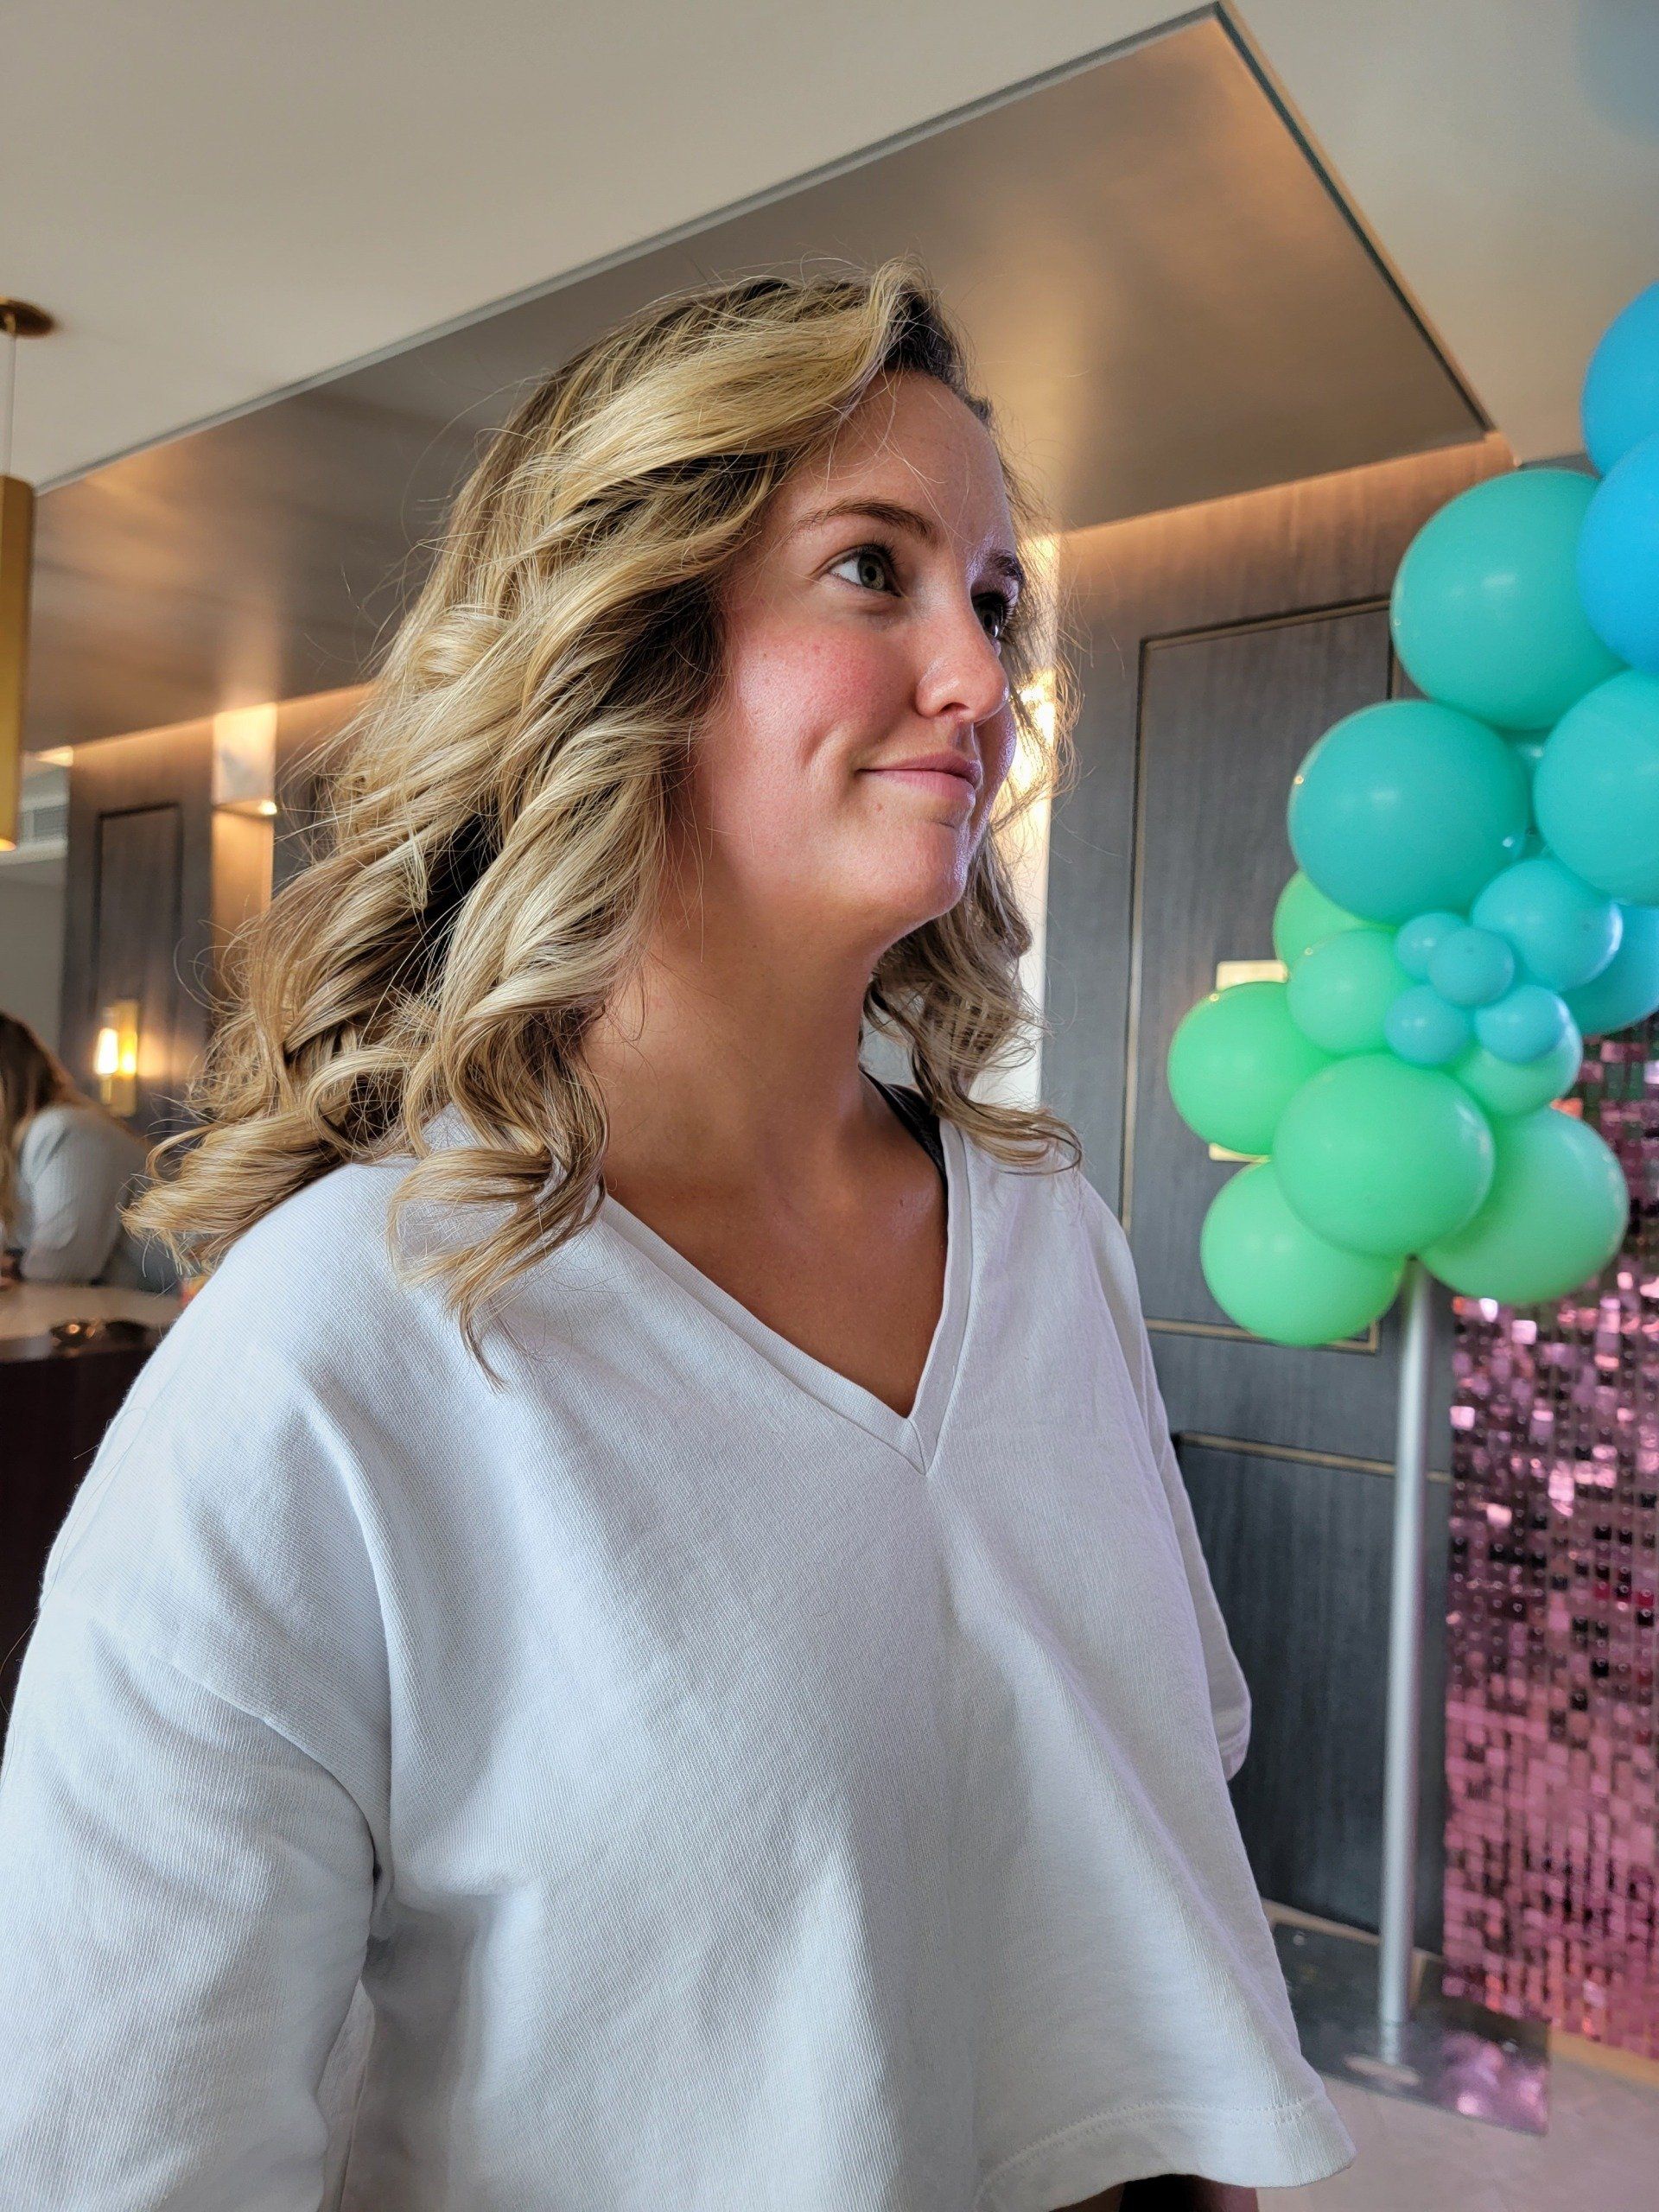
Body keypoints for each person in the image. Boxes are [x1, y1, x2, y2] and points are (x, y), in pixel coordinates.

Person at [0, 261, 1356, 2210]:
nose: (982, 683)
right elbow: (123, 2142)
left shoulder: (1053, 1239)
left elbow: (1151, 1832)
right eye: (874, 570)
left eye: (991, 600)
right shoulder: (348, 1338)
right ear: (630, 640)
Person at [0, 1010, 181, 1294]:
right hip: (152, 1309)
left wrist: (14, 1265)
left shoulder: (64, 1130)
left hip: (209, 1303)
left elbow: (61, 1268)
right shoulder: (20, 1149)